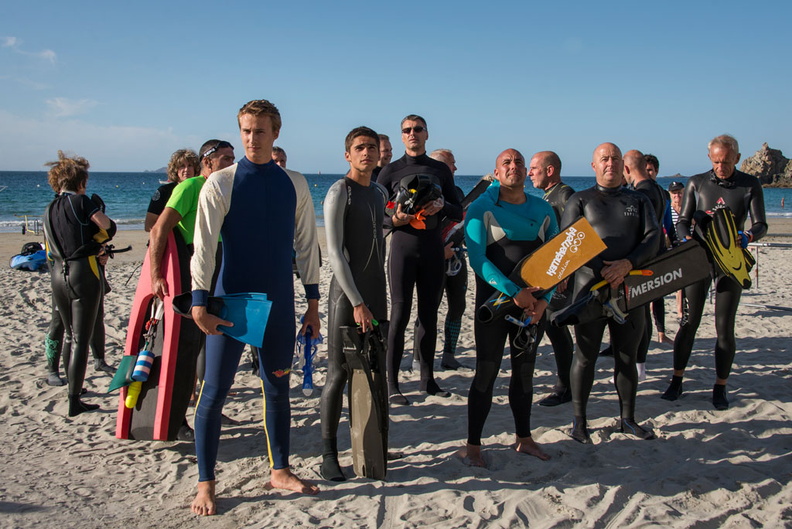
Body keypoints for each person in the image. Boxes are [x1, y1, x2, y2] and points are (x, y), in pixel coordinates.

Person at [189, 99, 321, 515]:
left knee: (277, 389)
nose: (251, 138)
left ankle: (280, 470)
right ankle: (206, 483)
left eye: (260, 131)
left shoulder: (294, 183)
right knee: (214, 393)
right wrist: (198, 302)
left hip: (280, 303)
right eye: (246, 130)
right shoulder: (221, 182)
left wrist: (312, 303)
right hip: (232, 304)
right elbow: (204, 247)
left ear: (276, 133)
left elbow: (306, 246)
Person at [458, 148, 558, 467]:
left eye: (518, 162)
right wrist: (515, 292)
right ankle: (473, 445)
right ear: (497, 173)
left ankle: (524, 439)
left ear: (526, 171)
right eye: (506, 163)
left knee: (524, 374)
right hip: (495, 305)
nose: (512, 166)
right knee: (486, 373)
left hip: (531, 309)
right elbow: (477, 259)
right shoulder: (482, 207)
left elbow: (557, 261)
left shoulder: (543, 209)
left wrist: (545, 302)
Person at [561, 143, 660, 443]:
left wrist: (628, 264)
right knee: (585, 356)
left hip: (629, 289)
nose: (610, 164)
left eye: (615, 159)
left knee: (627, 357)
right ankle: (580, 422)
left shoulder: (639, 199)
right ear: (594, 165)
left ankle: (627, 419)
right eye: (604, 159)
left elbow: (653, 237)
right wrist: (605, 267)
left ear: (624, 166)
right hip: (589, 290)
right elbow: (569, 241)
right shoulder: (580, 200)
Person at [662, 134, 767, 410]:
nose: (721, 166)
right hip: (699, 259)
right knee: (689, 321)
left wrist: (748, 236)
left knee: (724, 328)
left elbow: (761, 224)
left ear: (737, 158)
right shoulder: (697, 183)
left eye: (726, 162)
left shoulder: (749, 185)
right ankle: (676, 380)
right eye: (716, 161)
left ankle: (720, 386)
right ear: (710, 158)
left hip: (731, 263)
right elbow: (683, 221)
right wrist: (686, 240)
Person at [376, 114, 463, 405]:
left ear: (426, 134)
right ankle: (392, 384)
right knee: (399, 315)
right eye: (407, 130)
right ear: (401, 136)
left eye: (418, 129)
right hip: (403, 250)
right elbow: (378, 216)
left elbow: (457, 210)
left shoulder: (439, 169)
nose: (412, 134)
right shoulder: (389, 171)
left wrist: (441, 205)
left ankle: (428, 380)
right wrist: (396, 217)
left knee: (428, 315)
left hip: (432, 250)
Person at [320, 126, 388, 481]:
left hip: (377, 292)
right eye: (360, 148)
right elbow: (334, 254)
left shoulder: (378, 191)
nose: (367, 153)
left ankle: (371, 441)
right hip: (348, 298)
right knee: (339, 373)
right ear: (348, 154)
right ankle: (328, 452)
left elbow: (380, 230)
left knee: (375, 369)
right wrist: (358, 302)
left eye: (372, 148)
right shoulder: (338, 192)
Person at [42, 151, 115, 417]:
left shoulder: (48, 209)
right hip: (83, 272)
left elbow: (52, 245)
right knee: (82, 339)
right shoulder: (81, 201)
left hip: (57, 274)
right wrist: (98, 240)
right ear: (81, 181)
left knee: (70, 335)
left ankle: (74, 388)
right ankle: (75, 400)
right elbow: (106, 225)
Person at [528, 151, 576, 406]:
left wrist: (564, 273)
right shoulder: (550, 196)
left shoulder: (565, 195)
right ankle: (565, 384)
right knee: (549, 326)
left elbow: (574, 236)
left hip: (560, 277)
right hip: (549, 274)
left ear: (550, 170)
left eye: (534, 167)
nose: (529, 172)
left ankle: (565, 387)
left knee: (555, 327)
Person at [623, 149, 666, 381]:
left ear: (627, 169)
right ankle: (640, 364)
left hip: (642, 259)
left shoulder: (641, 194)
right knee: (643, 313)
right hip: (655, 255)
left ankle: (638, 366)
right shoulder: (658, 189)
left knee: (638, 316)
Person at [429, 148, 468, 370]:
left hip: (456, 256)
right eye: (451, 163)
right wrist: (437, 250)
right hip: (432, 260)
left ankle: (449, 354)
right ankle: (418, 358)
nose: (455, 167)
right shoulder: (426, 192)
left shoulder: (459, 192)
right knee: (429, 309)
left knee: (458, 306)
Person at [645, 153, 675, 345]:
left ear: (656, 172)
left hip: (658, 250)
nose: (647, 174)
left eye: (650, 170)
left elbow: (668, 222)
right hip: (642, 252)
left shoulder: (662, 194)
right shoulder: (635, 192)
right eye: (644, 170)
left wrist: (673, 243)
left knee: (657, 295)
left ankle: (661, 332)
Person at [144, 149, 200, 231]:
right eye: (182, 166)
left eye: (190, 165)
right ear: (175, 169)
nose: (186, 169)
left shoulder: (201, 188)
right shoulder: (164, 191)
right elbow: (149, 225)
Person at [667, 181, 686, 320]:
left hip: (685, 248)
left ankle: (681, 309)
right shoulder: (668, 209)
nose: (677, 195)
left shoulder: (687, 209)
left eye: (679, 192)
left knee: (683, 281)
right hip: (670, 249)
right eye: (674, 193)